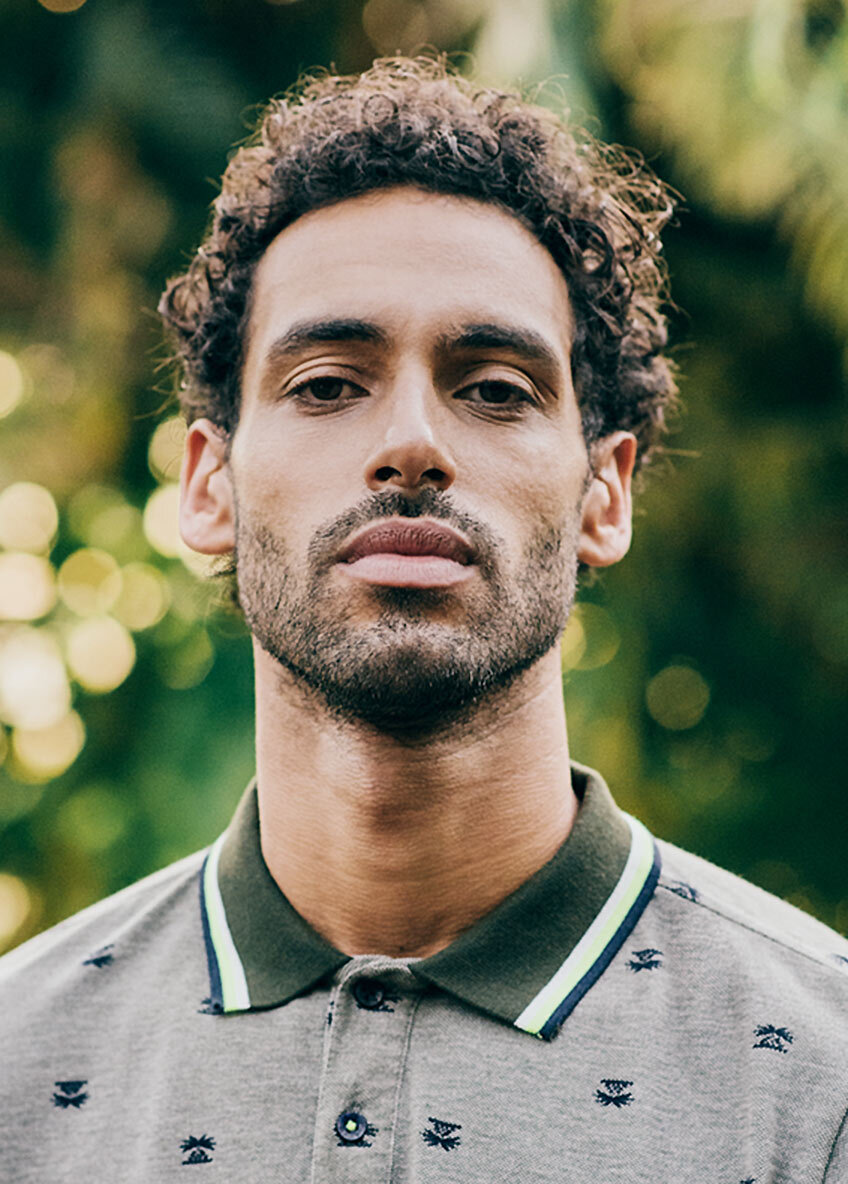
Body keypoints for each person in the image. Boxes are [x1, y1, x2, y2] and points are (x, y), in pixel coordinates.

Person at [1, 55, 846, 1183]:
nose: (411, 442)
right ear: (208, 485)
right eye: (326, 384)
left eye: (494, 388)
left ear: (604, 494)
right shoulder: (18, 1067)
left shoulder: (822, 1076)